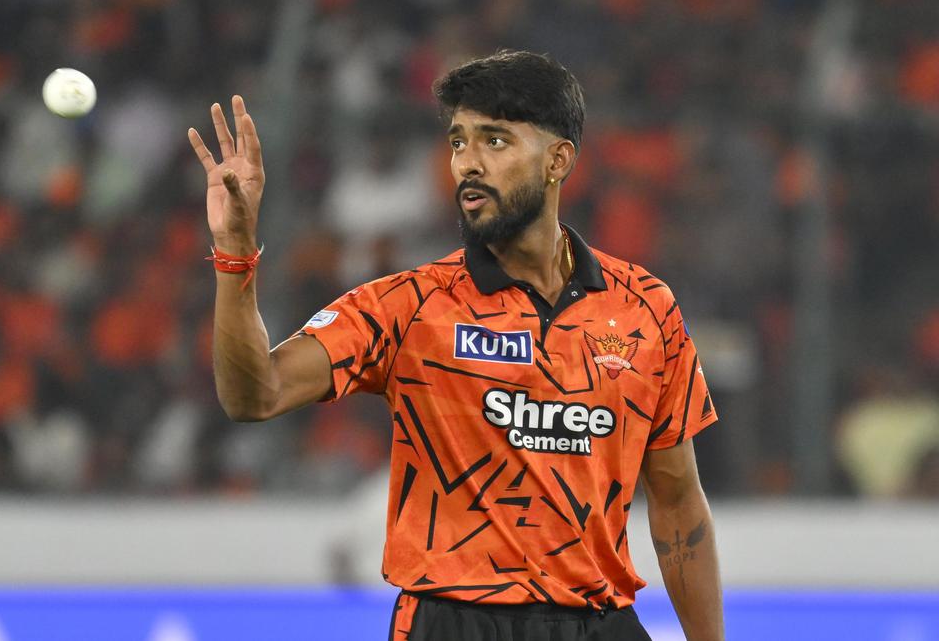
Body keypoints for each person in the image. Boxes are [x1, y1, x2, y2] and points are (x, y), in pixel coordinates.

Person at [188, 50, 723, 641]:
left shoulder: (646, 308)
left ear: (558, 160)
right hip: (453, 622)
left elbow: (678, 502)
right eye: (458, 142)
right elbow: (255, 395)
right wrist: (235, 255)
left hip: (600, 623)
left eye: (495, 141)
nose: (467, 163)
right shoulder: (410, 306)